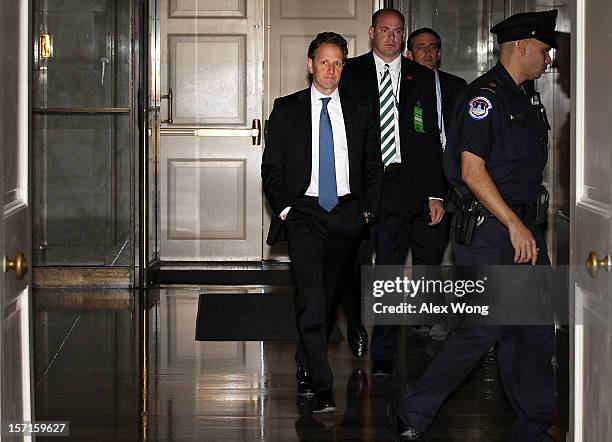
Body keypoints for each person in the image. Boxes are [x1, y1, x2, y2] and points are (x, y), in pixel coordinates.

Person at [388, 9, 558, 441]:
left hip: (523, 228)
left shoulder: (527, 97)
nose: (547, 57)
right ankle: (412, 408)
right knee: (481, 330)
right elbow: (471, 170)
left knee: (534, 330)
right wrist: (514, 225)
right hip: (490, 232)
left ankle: (533, 426)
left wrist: (526, 227)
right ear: (521, 46)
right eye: (543, 49)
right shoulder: (486, 97)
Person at [262, 32, 383, 413]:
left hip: (348, 214)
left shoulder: (361, 108)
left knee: (328, 302)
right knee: (312, 301)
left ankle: (305, 361)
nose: (331, 70)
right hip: (305, 214)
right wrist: (286, 210)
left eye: (338, 63)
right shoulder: (287, 109)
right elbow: (272, 168)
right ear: (310, 64)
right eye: (324, 61)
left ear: (344, 67)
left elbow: (372, 165)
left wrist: (366, 213)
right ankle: (322, 384)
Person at [339, 8, 445, 375]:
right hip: (357, 185)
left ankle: (383, 351)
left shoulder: (420, 77)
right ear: (371, 33)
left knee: (388, 269)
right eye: (384, 30)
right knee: (351, 266)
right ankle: (354, 320)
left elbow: (429, 136)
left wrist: (435, 192)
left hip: (401, 185)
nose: (391, 37)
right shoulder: (351, 72)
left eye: (398, 32)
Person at [406, 27, 468, 340]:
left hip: (452, 179)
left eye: (433, 48)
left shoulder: (457, 87)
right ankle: (424, 312)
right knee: (426, 247)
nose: (428, 53)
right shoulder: (401, 87)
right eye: (421, 48)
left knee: (442, 244)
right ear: (409, 53)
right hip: (414, 180)